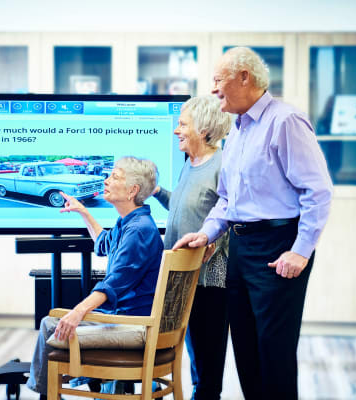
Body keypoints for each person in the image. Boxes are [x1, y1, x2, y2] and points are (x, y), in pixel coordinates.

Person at [173, 47, 333, 399]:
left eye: (218, 80)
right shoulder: (239, 132)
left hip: (278, 247)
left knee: (272, 353)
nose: (213, 90)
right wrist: (206, 232)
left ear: (244, 77)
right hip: (241, 249)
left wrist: (301, 251)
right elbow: (228, 199)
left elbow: (318, 190)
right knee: (246, 352)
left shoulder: (285, 122)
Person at [27, 156, 163, 400]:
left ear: (132, 190)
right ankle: (72, 385)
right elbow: (103, 244)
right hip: (125, 320)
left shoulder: (139, 230)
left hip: (133, 326)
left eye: (115, 177)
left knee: (50, 325)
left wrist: (77, 312)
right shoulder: (131, 221)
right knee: (54, 323)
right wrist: (83, 212)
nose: (106, 180)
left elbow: (113, 285)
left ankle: (48, 394)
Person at [152, 95, 232, 400]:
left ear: (204, 129)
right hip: (181, 278)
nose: (176, 130)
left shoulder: (222, 164)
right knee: (194, 358)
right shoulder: (191, 163)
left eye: (182, 124)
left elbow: (229, 214)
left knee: (207, 366)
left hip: (209, 280)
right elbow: (186, 208)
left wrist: (214, 239)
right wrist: (157, 192)